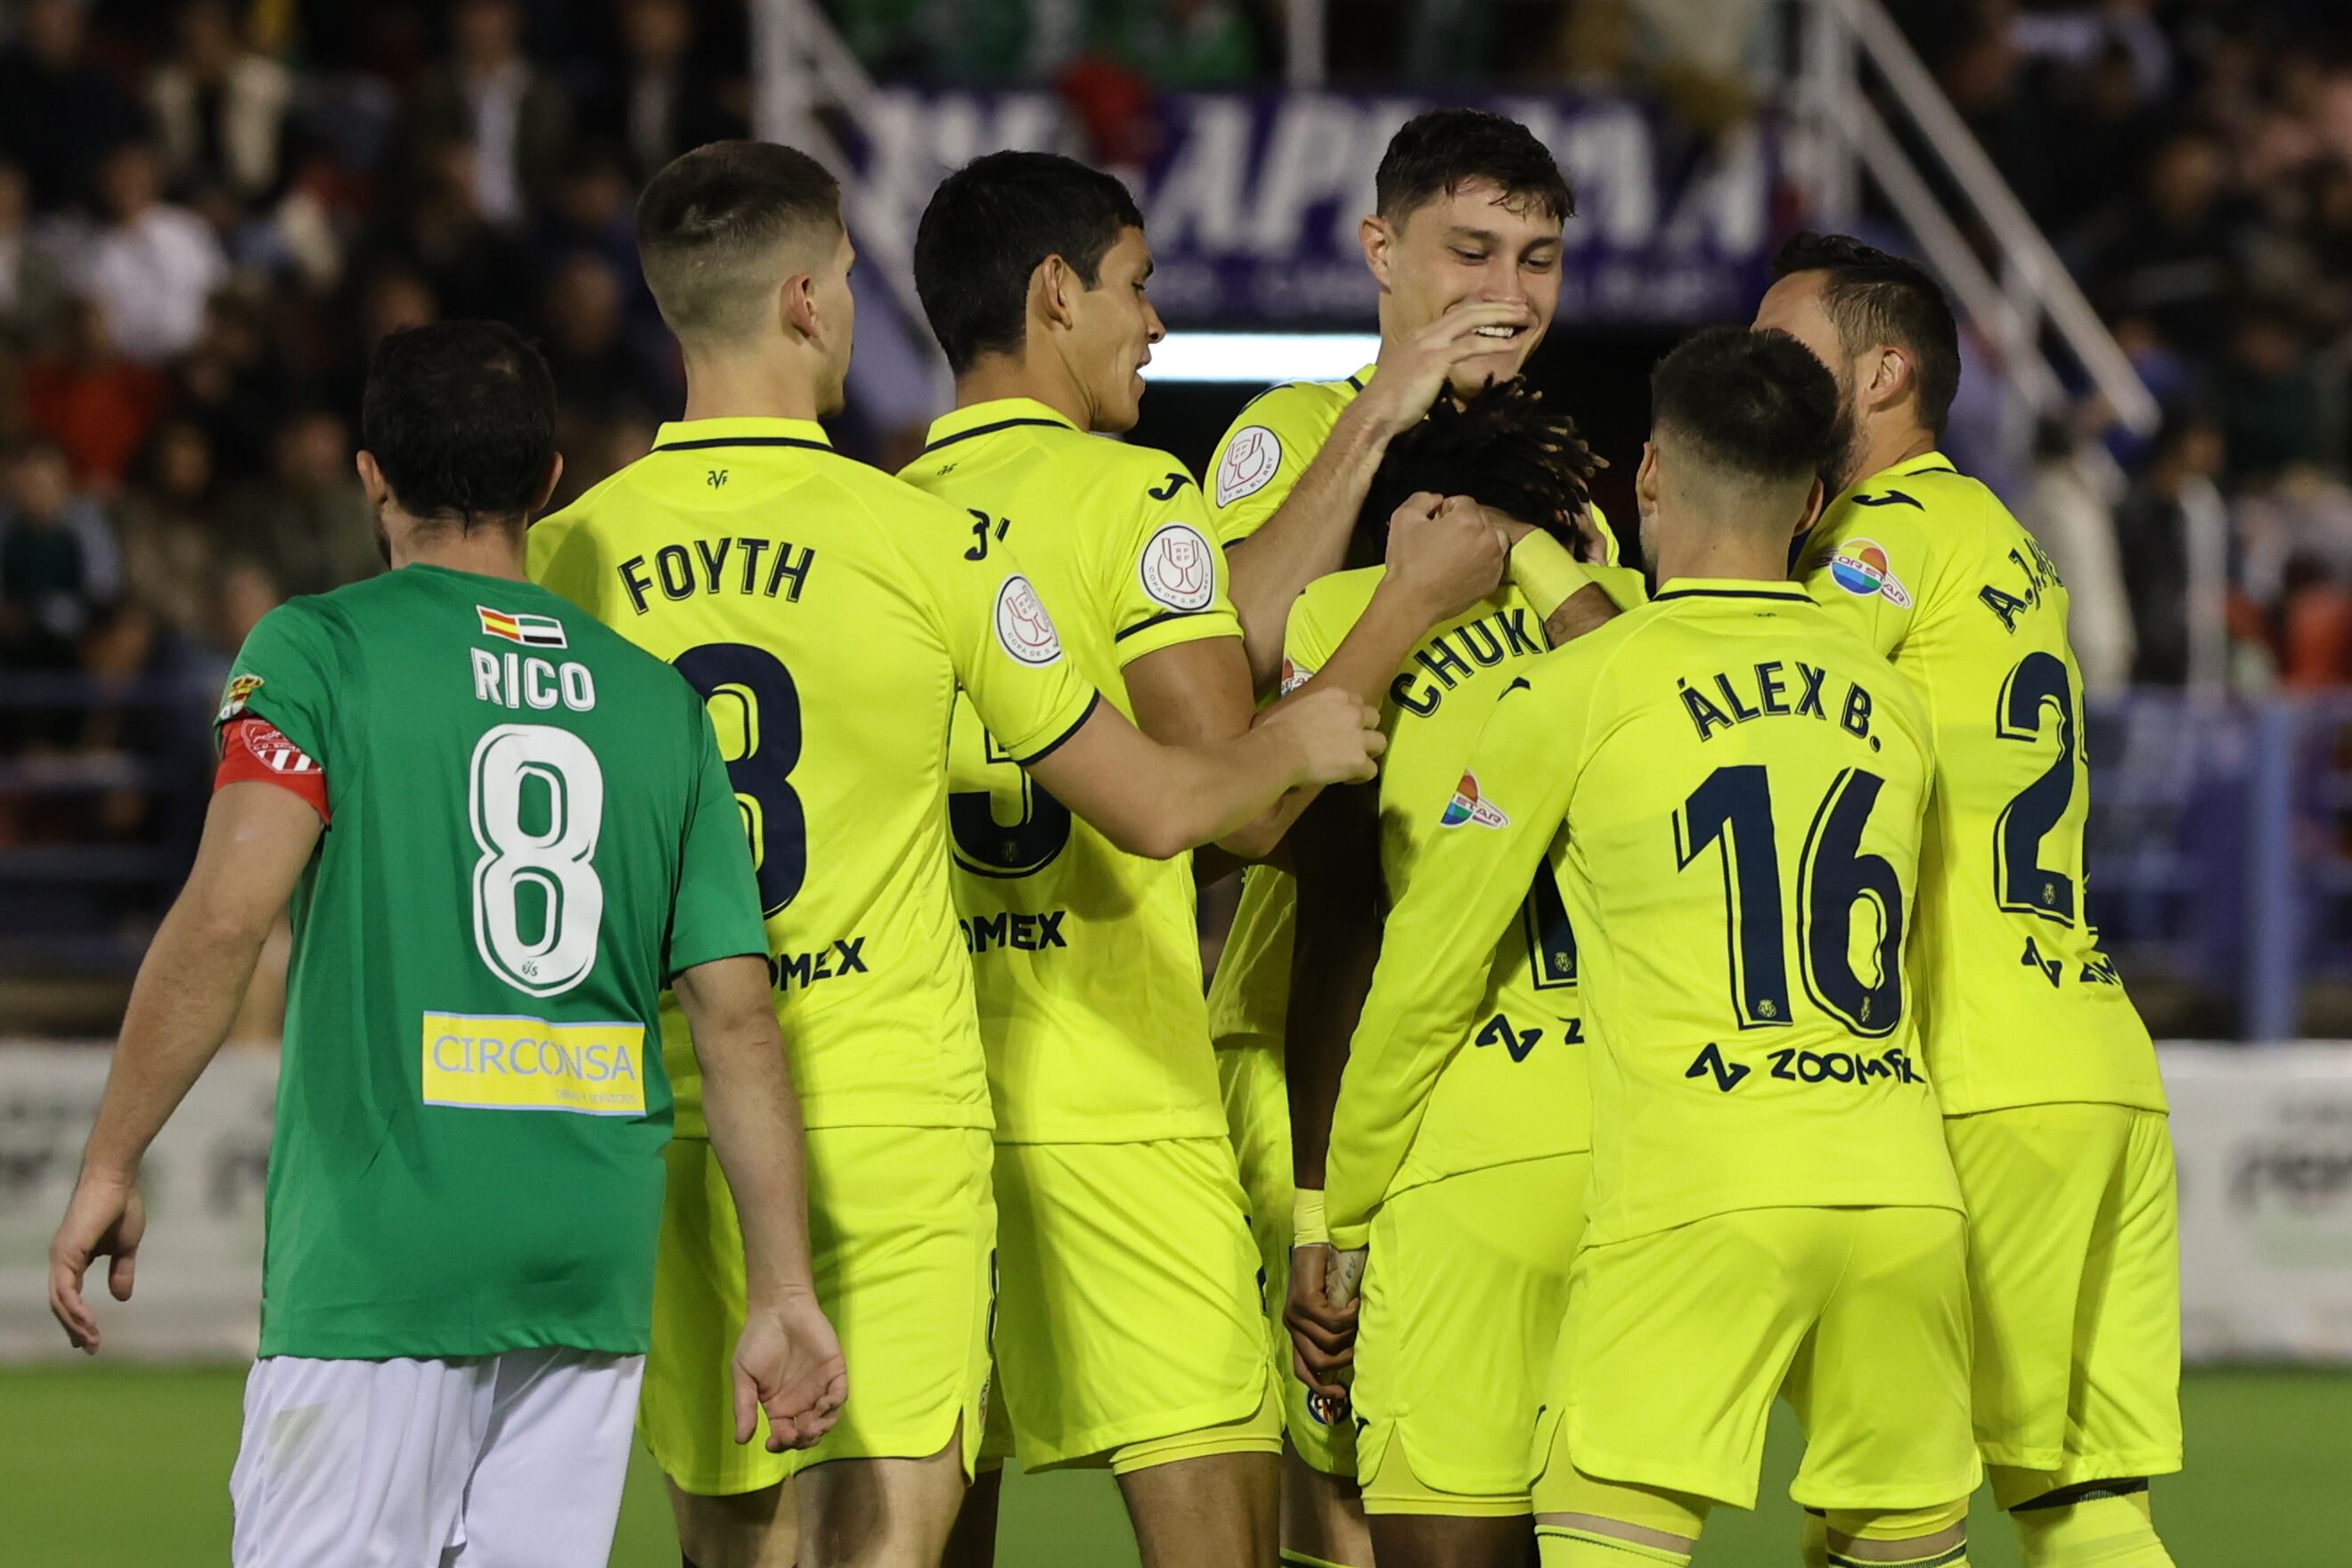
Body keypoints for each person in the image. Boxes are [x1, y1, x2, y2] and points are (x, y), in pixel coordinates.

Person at [527, 141, 1385, 1568]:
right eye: (851, 281)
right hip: (914, 1109)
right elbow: (1173, 809)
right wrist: (1308, 728)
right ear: (805, 301)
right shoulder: (924, 536)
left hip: (678, 1123)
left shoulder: (570, 557)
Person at [45, 320, 847, 1568]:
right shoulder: (659, 703)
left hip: (384, 1256)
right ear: (548, 482)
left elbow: (222, 917)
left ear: (372, 475)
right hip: (584, 1263)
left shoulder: (318, 652)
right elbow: (736, 1014)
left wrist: (110, 1159)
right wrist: (785, 1291)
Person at [896, 149, 1515, 1568]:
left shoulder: (882, 515)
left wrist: (1362, 430)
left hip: (925, 1097)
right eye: (1136, 287)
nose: (1155, 324)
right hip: (1119, 1090)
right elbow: (1239, 799)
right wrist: (1404, 606)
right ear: (1057, 295)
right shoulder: (1133, 498)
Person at [1331, 326, 1980, 1568]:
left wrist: (1348, 1209)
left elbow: (1426, 973)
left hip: (1698, 1196)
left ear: (1648, 478)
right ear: (1814, 499)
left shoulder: (1575, 688)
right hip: (1900, 1193)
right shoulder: (1891, 701)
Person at [1197, 106, 1613, 1565]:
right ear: (1381, 251)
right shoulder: (1289, 435)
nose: (1509, 290)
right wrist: (1384, 413)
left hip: (1523, 1070)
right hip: (1318, 1038)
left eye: (1542, 258)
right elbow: (1228, 671)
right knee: (1350, 1478)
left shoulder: (1566, 497)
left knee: (1510, 1491)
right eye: (1472, 251)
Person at [1757, 233, 2182, 1568]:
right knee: (2079, 1501)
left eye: (1786, 352)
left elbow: (1753, 718)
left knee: (1885, 1493)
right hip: (2095, 1056)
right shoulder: (2003, 537)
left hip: (1974, 1072)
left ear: (1883, 374)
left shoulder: (1874, 547)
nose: (1756, 375)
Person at [1273, 380, 1644, 1567]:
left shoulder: (1345, 617)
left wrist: (1319, 1217)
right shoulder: (1632, 620)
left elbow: (1338, 932)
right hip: (1639, 1156)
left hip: (1454, 1160)